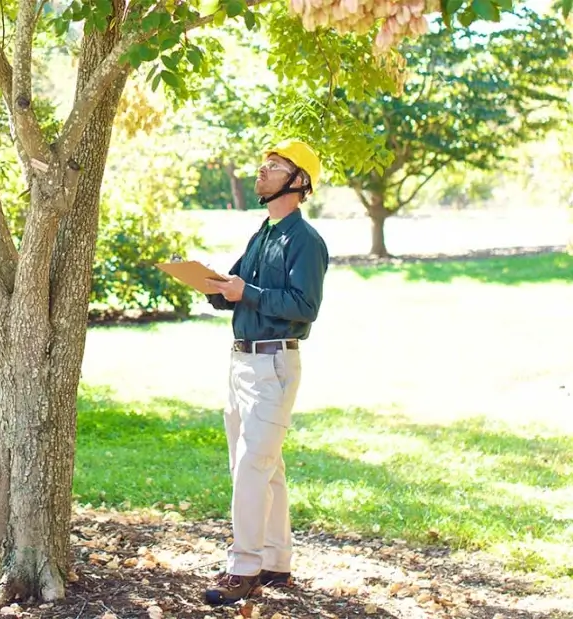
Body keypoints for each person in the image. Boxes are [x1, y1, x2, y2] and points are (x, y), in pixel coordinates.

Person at [202, 139, 330, 605]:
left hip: (274, 362)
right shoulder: (263, 234)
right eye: (265, 163)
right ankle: (277, 561)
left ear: (298, 182)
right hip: (241, 361)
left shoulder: (306, 242)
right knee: (261, 464)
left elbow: (304, 307)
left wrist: (246, 293)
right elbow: (237, 288)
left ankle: (244, 568)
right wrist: (214, 286)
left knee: (253, 465)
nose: (262, 169)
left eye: (274, 166)